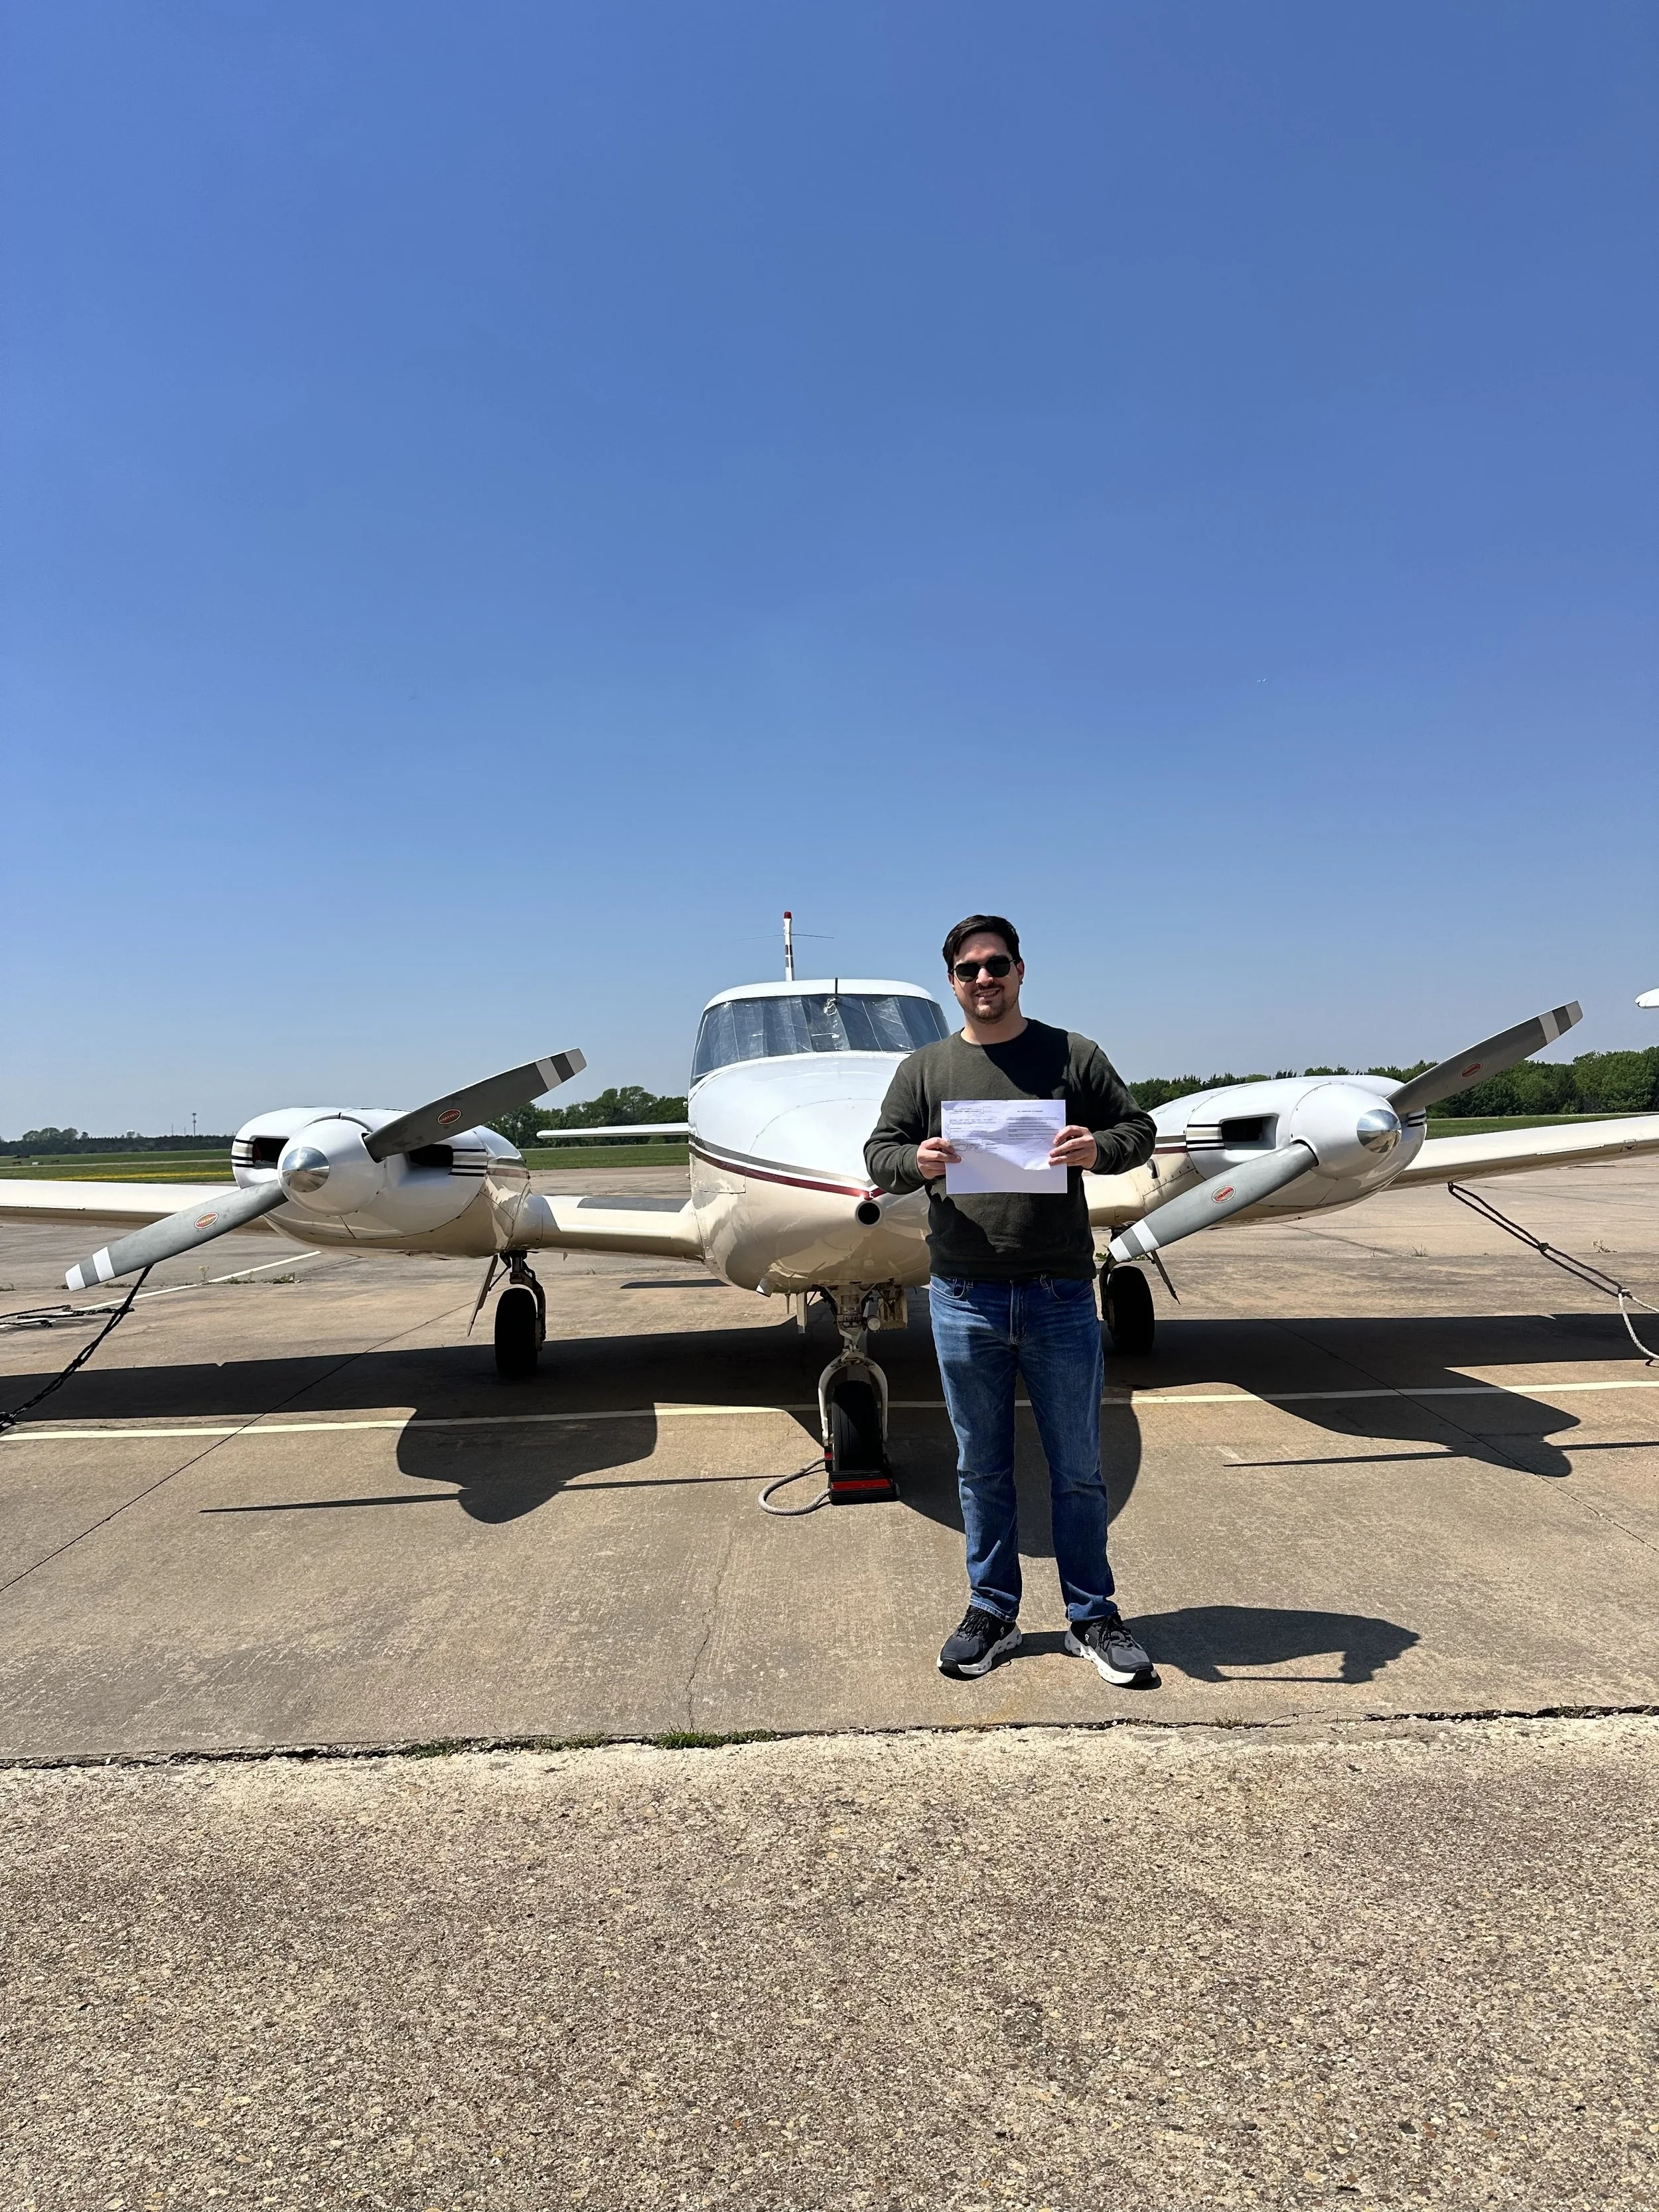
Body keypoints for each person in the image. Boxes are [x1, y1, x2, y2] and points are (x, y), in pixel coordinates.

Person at [865, 915, 1158, 1684]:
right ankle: (991, 1611)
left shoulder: (1073, 1054)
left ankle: (1091, 1617)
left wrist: (1100, 1149)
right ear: (952, 983)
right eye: (968, 970)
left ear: (1021, 971)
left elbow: (1138, 1128)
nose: (983, 979)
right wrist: (914, 1161)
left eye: (996, 965)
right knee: (981, 1468)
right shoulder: (924, 1070)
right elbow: (879, 1154)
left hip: (1061, 1294)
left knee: (1079, 1470)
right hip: (963, 1298)